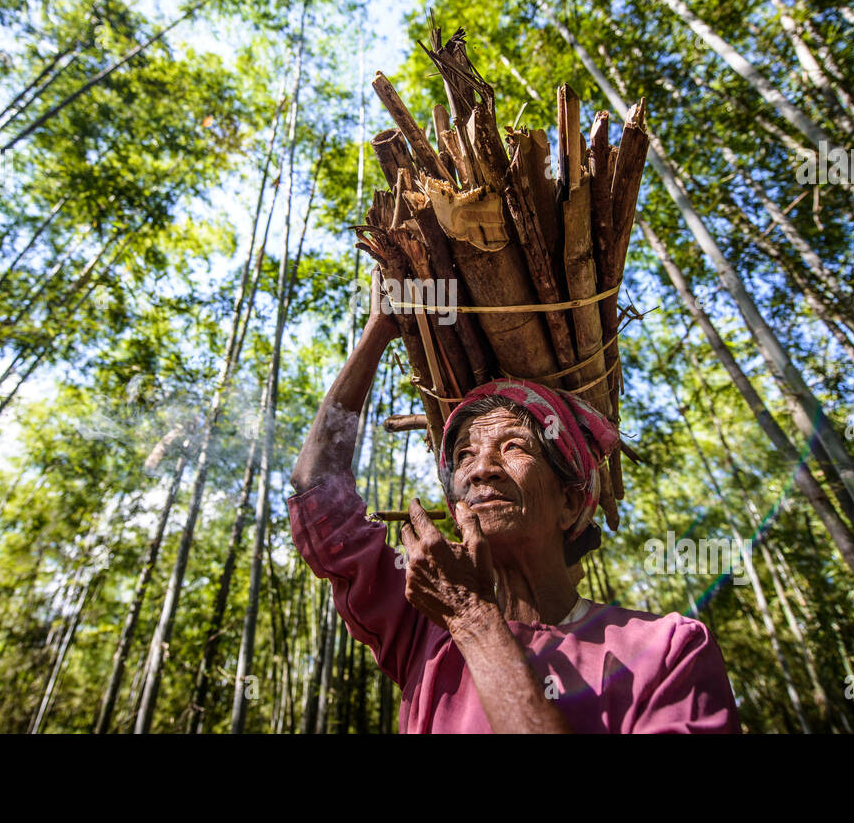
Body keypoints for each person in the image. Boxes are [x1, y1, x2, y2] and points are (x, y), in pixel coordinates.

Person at [288, 294, 741, 734]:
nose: (482, 468)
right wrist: (378, 331)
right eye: (464, 455)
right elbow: (316, 488)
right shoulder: (421, 619)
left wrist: (472, 619)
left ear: (568, 501)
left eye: (513, 447)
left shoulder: (665, 650)